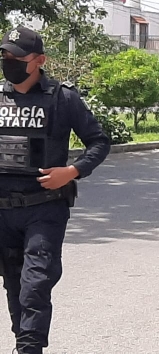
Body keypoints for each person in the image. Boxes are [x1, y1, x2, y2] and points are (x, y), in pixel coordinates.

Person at [0, 26, 110, 354]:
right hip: (3, 211)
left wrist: (72, 171)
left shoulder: (63, 98)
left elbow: (99, 141)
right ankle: (25, 343)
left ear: (40, 60)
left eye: (18, 57)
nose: (10, 62)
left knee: (35, 286)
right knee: (15, 285)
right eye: (5, 56)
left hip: (44, 209)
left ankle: (29, 349)